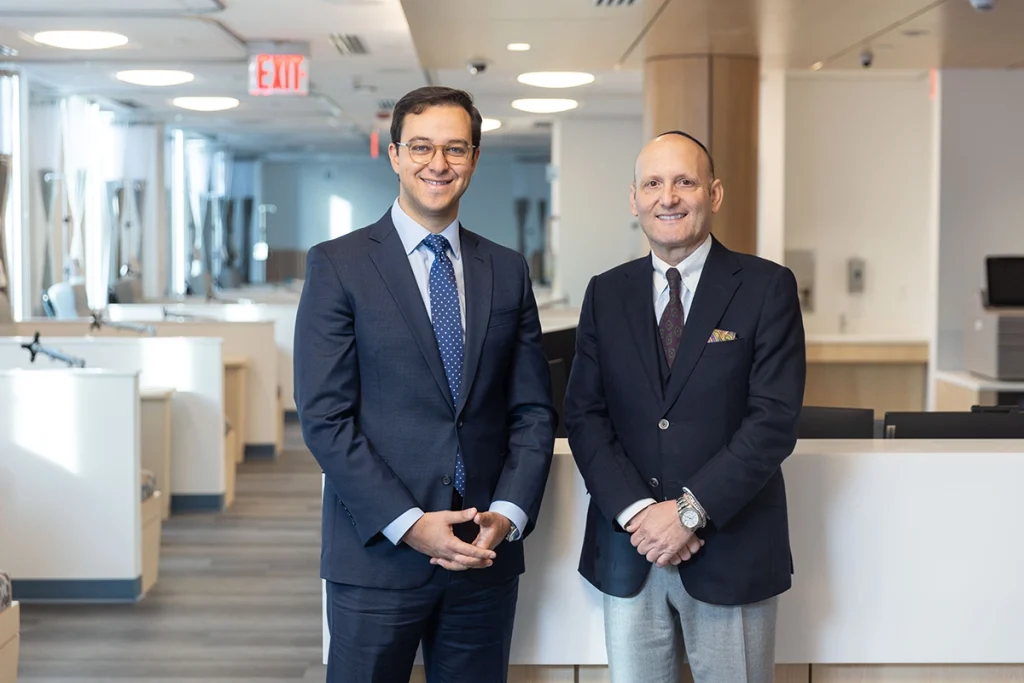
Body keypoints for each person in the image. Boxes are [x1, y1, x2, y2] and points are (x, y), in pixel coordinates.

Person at [294, 86, 557, 683]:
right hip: (377, 555)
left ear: (474, 158)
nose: (437, 163)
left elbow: (533, 412)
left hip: (482, 553)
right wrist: (410, 524)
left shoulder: (507, 269)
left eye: (454, 148)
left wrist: (508, 513)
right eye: (420, 147)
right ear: (393, 155)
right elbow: (325, 418)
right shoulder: (338, 265)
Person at [563, 131, 806, 683]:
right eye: (652, 183)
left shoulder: (767, 287)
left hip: (732, 550)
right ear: (634, 199)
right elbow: (584, 415)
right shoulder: (606, 293)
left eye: (684, 181)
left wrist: (690, 512)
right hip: (632, 551)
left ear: (714, 193)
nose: (667, 197)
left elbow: (773, 419)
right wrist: (638, 513)